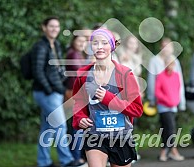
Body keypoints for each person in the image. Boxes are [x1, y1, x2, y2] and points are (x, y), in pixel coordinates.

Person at [72, 28, 143, 167]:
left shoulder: (125, 74)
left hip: (121, 137)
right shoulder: (83, 75)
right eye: (95, 43)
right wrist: (79, 118)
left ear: (112, 46)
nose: (99, 47)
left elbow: (137, 109)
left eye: (104, 43)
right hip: (95, 135)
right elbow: (78, 104)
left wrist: (108, 99)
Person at [32, 16, 77, 167]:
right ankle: (67, 160)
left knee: (47, 127)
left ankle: (43, 161)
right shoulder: (40, 46)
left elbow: (56, 69)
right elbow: (37, 71)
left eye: (57, 27)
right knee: (60, 125)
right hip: (46, 93)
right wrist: (50, 89)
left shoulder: (56, 45)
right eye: (51, 26)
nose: (54, 29)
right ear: (44, 27)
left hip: (55, 92)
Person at [64, 34, 90, 166]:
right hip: (73, 94)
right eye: (79, 40)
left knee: (79, 127)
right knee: (77, 126)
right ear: (73, 41)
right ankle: (76, 158)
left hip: (78, 93)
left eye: (83, 41)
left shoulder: (79, 54)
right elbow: (80, 72)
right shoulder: (73, 54)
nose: (81, 43)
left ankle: (79, 157)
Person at [155, 55, 185, 161]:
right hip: (164, 107)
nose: (170, 66)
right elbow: (158, 92)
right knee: (171, 128)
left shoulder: (176, 75)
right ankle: (173, 150)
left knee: (166, 130)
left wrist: (176, 101)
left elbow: (177, 88)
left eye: (172, 64)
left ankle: (164, 152)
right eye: (168, 63)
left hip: (173, 106)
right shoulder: (160, 76)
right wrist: (167, 101)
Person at [147, 38, 186, 110]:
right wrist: (152, 98)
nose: (166, 49)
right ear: (161, 48)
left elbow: (179, 82)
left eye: (168, 47)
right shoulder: (154, 61)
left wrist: (182, 101)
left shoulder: (175, 61)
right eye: (164, 46)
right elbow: (151, 81)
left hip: (173, 99)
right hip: (160, 99)